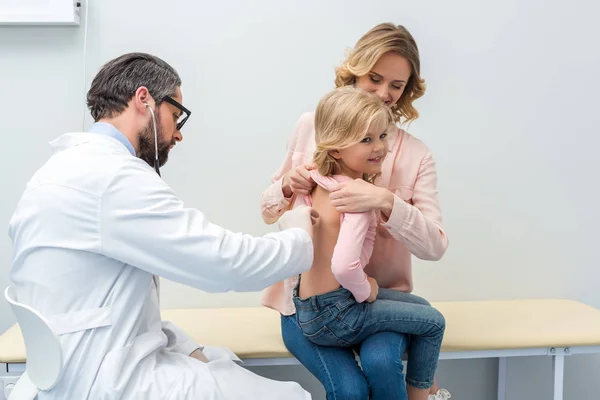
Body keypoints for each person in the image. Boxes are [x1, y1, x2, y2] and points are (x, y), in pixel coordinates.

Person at [7, 52, 317, 399]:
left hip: (71, 368)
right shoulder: (113, 178)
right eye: (175, 115)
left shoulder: (57, 170)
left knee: (220, 362)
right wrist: (301, 237)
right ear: (144, 99)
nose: (177, 134)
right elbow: (223, 263)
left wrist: (184, 346)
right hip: (106, 381)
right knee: (294, 395)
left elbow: (109, 305)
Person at [261, 23, 451, 400]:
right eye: (375, 79)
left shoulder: (416, 154)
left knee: (382, 365)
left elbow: (435, 247)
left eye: (396, 86)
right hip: (306, 302)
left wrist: (385, 202)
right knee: (348, 389)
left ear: (407, 89)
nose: (384, 94)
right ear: (355, 71)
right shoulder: (312, 126)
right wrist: (286, 187)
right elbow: (268, 212)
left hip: (373, 299)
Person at [291, 86, 446, 400]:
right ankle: (423, 397)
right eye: (366, 140)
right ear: (335, 149)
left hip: (308, 304)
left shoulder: (319, 177)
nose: (380, 148)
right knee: (434, 323)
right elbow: (345, 267)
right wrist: (367, 290)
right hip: (338, 313)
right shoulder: (357, 198)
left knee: (422, 308)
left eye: (382, 136)